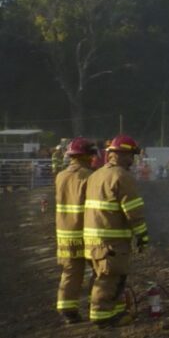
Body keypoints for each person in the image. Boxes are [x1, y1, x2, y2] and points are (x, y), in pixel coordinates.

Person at [84, 135, 149, 329]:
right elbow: (133, 211)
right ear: (120, 155)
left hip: (92, 239)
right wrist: (142, 236)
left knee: (101, 276)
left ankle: (113, 312)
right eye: (131, 155)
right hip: (111, 240)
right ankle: (102, 318)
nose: (132, 160)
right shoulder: (122, 176)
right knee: (109, 278)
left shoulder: (95, 175)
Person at [55, 138, 96, 325]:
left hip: (65, 233)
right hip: (86, 231)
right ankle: (98, 306)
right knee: (100, 270)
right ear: (87, 155)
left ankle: (67, 310)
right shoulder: (89, 177)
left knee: (71, 271)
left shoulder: (60, 176)